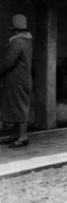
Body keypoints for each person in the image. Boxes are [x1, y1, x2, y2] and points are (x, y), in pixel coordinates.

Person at [0, 14, 33, 148]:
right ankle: (16, 136)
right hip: (22, 78)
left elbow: (9, 61)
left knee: (19, 107)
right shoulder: (27, 40)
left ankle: (22, 137)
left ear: (14, 29)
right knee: (17, 106)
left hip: (17, 79)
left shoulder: (17, 41)